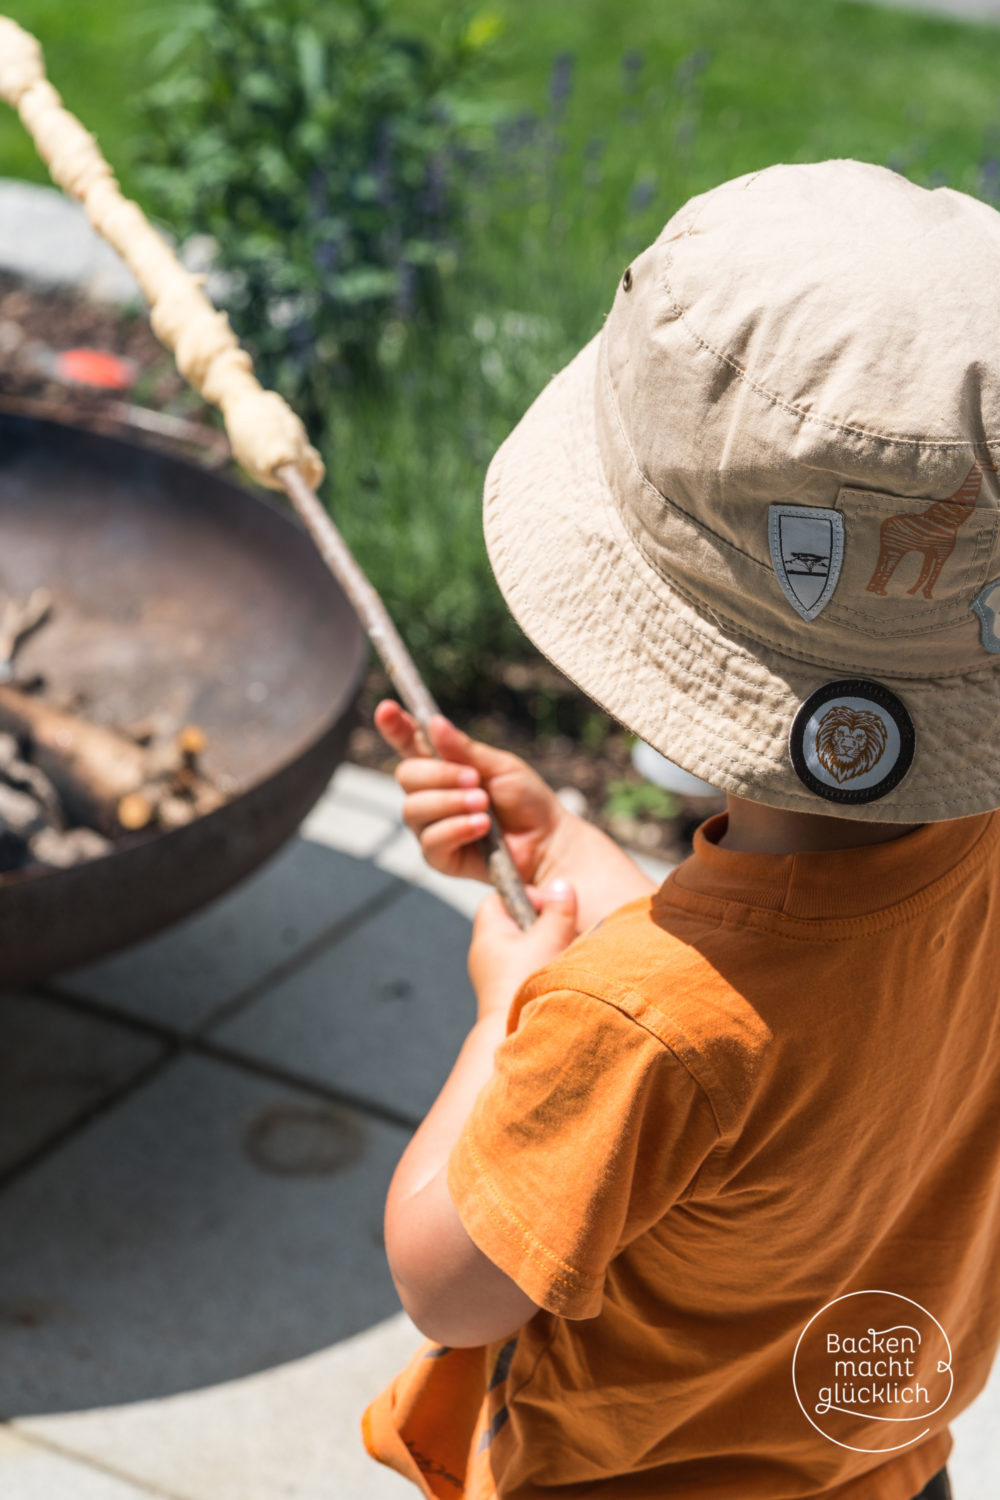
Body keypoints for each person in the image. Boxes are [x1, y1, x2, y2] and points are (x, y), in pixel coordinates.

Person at [360, 159, 1000, 1499]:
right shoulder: (974, 857)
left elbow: (446, 1283)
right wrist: (580, 853)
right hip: (875, 1463)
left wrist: (510, 1014)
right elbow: (808, 990)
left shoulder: (629, 1029)